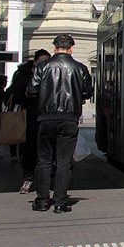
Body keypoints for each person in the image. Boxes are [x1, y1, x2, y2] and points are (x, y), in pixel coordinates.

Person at [27, 34, 93, 213]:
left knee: (44, 160)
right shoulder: (80, 68)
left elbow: (31, 91)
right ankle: (60, 201)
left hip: (46, 118)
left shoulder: (42, 67)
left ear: (55, 47)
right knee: (64, 161)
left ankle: (41, 200)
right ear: (71, 48)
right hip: (69, 119)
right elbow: (88, 92)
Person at [6, 48, 50, 191]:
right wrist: (29, 93)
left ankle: (45, 181)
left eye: (47, 62)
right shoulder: (23, 74)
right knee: (29, 151)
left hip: (48, 118)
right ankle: (28, 178)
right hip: (29, 118)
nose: (44, 65)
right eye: (42, 62)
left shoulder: (52, 74)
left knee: (46, 152)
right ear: (35, 62)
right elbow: (12, 94)